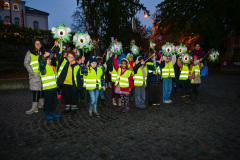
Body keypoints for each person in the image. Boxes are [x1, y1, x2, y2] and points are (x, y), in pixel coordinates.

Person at [24, 39, 45, 114]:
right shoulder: (30, 52)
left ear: (41, 45)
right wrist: (32, 72)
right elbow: (26, 63)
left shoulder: (43, 53)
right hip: (35, 75)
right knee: (36, 90)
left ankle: (41, 104)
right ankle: (34, 107)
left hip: (42, 74)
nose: (38, 45)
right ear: (34, 44)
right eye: (36, 43)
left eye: (39, 44)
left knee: (41, 89)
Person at [39, 52, 60, 120]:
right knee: (48, 101)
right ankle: (47, 113)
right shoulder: (43, 68)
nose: (50, 60)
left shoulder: (52, 67)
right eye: (48, 59)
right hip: (47, 88)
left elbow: (55, 77)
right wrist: (44, 56)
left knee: (54, 101)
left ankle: (53, 112)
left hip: (54, 87)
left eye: (49, 59)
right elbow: (42, 64)